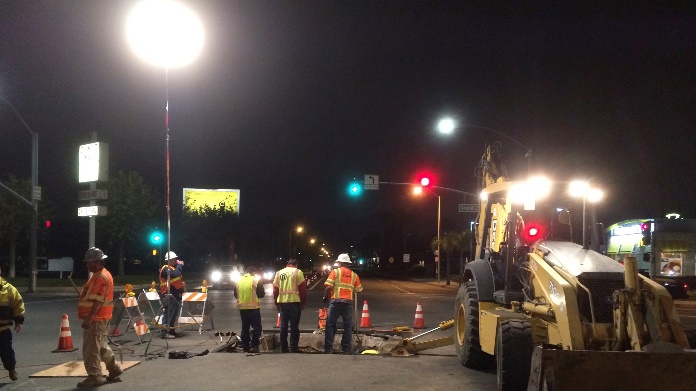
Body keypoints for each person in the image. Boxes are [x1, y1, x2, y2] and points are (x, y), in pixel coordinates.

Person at [77, 247, 123, 387]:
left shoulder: (100, 277)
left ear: (98, 262)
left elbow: (98, 301)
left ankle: (95, 376)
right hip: (102, 317)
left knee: (91, 349)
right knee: (101, 346)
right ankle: (114, 369)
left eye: (90, 263)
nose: (88, 265)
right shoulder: (102, 275)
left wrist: (89, 318)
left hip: (96, 319)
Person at [323, 253, 363, 354]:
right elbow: (359, 290)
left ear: (340, 262)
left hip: (335, 302)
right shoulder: (354, 275)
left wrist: (326, 297)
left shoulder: (335, 272)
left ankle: (329, 348)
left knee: (330, 324)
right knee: (348, 326)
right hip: (348, 303)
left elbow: (328, 286)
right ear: (348, 263)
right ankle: (346, 348)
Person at [272, 258, 307, 353]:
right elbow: (303, 290)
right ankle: (293, 347)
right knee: (294, 326)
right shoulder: (297, 272)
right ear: (296, 264)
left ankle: (283, 347)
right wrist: (303, 303)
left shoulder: (279, 273)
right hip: (294, 303)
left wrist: (276, 302)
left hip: (283, 303)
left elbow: (275, 290)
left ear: (287, 264)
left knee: (283, 326)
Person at [0, 266, 24, 382]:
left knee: (6, 352)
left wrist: (19, 321)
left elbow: (18, 304)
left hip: (3, 330)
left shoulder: (9, 289)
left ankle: (11, 369)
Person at [234, 266, 265, 353]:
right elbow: (261, 294)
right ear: (254, 273)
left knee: (245, 327)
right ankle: (254, 346)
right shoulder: (256, 280)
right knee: (257, 327)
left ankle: (245, 346)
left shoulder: (238, 280)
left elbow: (236, 294)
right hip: (253, 308)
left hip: (242, 308)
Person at [159, 251, 185, 339]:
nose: (176, 260)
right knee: (168, 313)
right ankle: (164, 331)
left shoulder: (173, 268)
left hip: (175, 294)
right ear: (169, 260)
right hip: (168, 294)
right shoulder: (166, 269)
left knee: (174, 313)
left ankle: (171, 330)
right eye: (174, 259)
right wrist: (180, 265)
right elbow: (175, 274)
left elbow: (177, 279)